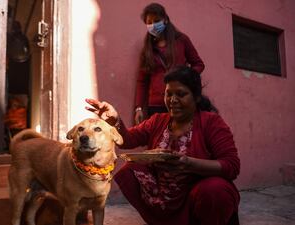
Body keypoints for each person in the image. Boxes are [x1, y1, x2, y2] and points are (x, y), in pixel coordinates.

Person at [86, 66, 240, 225]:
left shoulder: (211, 123)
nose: (173, 100)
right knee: (129, 171)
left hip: (197, 196)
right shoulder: (158, 120)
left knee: (215, 190)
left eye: (180, 94)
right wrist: (115, 120)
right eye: (169, 94)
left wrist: (189, 164)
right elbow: (129, 139)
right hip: (165, 196)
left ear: (196, 97)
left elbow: (232, 166)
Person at [134, 3, 205, 125]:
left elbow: (198, 64)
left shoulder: (182, 40)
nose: (153, 25)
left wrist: (186, 78)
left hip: (180, 101)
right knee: (160, 141)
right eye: (149, 23)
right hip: (155, 105)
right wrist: (138, 108)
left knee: (182, 139)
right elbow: (142, 81)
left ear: (165, 20)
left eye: (157, 21)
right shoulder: (147, 50)